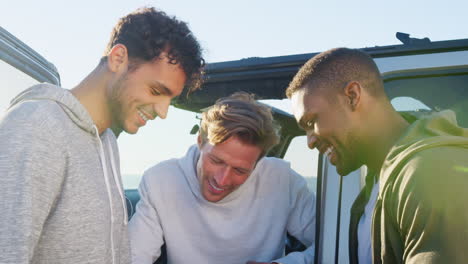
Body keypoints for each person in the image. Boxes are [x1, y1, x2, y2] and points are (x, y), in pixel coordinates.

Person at [0, 7, 204, 264]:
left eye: (169, 100)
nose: (163, 112)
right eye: (155, 91)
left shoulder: (106, 141)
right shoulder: (35, 126)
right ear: (118, 58)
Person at [286, 47, 468, 263]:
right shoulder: (378, 183)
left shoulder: (431, 171)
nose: (310, 142)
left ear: (352, 96)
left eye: (311, 121)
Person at [128, 92, 316, 264]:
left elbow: (333, 245)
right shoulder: (160, 181)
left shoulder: (283, 181)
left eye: (240, 171)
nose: (222, 180)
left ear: (259, 163)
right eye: (216, 160)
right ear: (200, 142)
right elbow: (133, 258)